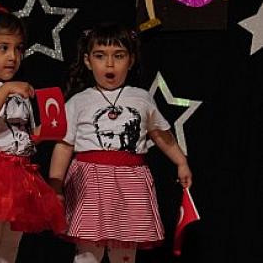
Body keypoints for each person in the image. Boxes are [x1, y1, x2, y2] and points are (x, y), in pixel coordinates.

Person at [49, 22, 193, 263]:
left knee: (124, 252)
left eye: (118, 56)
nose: (109, 64)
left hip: (130, 184)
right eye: (100, 56)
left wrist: (181, 162)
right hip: (89, 185)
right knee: (87, 252)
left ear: (131, 60)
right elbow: (64, 145)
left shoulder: (141, 98)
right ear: (87, 61)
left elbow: (161, 134)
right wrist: (55, 185)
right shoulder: (77, 101)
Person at [0, 2, 66, 263]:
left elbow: (23, 136)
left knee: (9, 249)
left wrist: (47, 130)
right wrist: (6, 90)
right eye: (3, 48)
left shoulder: (19, 90)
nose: (12, 56)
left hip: (20, 172)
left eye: (18, 49)